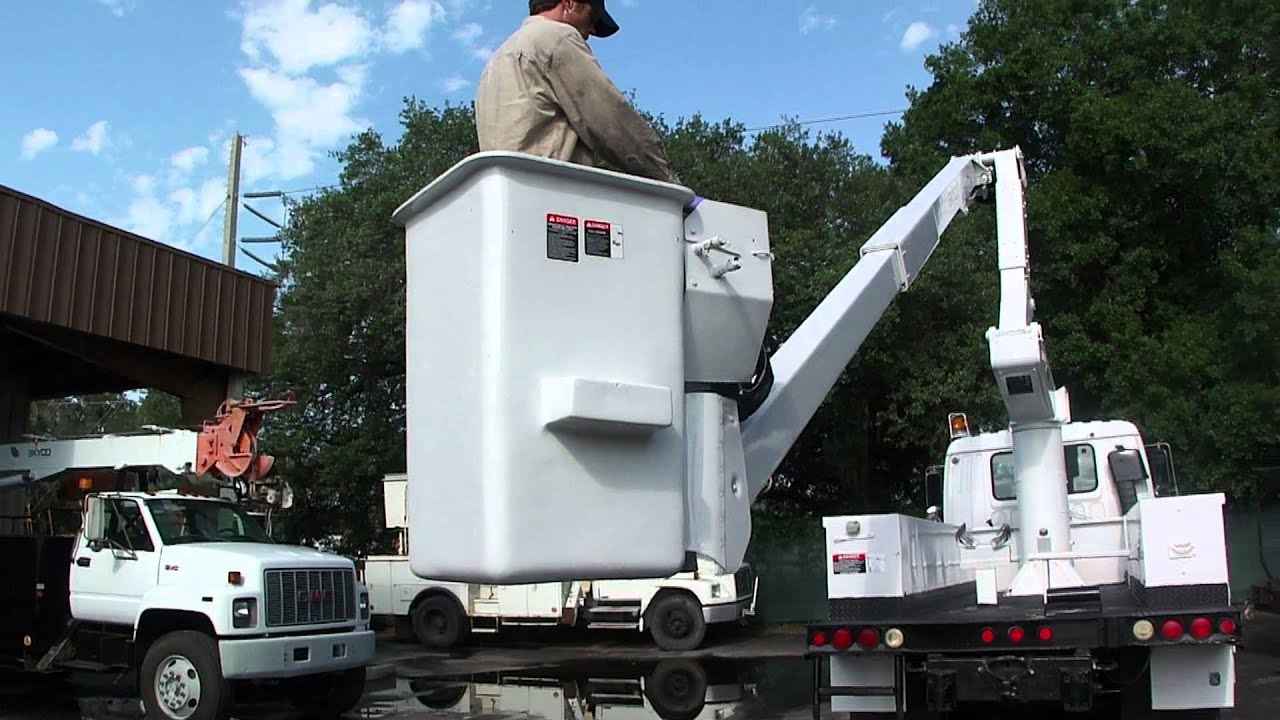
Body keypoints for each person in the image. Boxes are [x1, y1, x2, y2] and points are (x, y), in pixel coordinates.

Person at [475, 0, 680, 184]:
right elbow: (611, 122)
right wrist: (666, 178)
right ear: (570, 4)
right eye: (592, 17)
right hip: (553, 198)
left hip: (512, 195)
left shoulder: (495, 62)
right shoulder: (557, 38)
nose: (591, 30)